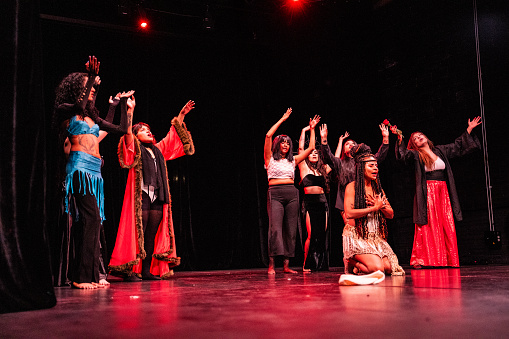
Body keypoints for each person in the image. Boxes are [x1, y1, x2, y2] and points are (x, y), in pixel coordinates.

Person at [53, 56, 128, 289]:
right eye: (88, 87)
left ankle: (91, 276)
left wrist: (121, 106)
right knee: (91, 218)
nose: (93, 90)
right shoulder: (66, 110)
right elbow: (78, 106)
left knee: (93, 221)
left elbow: (121, 129)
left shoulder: (91, 117)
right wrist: (92, 77)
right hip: (79, 169)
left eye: (94, 87)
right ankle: (81, 278)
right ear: (76, 88)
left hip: (95, 173)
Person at [108, 98, 195, 280]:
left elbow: (172, 137)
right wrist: (130, 111)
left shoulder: (157, 150)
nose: (147, 132)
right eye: (142, 130)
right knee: (136, 233)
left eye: (148, 130)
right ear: (136, 135)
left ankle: (146, 271)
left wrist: (181, 115)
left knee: (150, 236)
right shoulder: (135, 148)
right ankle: (131, 270)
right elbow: (127, 135)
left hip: (157, 196)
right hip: (141, 196)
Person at [392, 117, 482, 268]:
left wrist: (469, 129)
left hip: (443, 192)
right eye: (415, 138)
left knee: (445, 223)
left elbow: (458, 145)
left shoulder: (440, 150)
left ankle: (447, 259)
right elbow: (403, 155)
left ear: (426, 137)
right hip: (428, 193)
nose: (418, 137)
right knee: (428, 224)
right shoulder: (416, 155)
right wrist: (400, 138)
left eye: (420, 135)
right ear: (414, 144)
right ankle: (421, 259)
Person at [264, 108, 320, 274]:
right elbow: (268, 135)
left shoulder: (293, 160)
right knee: (275, 228)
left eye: (288, 143)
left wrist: (312, 128)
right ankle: (272, 265)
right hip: (275, 193)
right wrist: (282, 119)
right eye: (283, 142)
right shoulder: (269, 158)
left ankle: (287, 265)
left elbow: (310, 148)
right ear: (277, 144)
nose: (286, 145)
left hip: (291, 193)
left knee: (290, 228)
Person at [343, 143, 405, 276]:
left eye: (376, 165)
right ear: (361, 168)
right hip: (358, 236)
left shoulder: (378, 189)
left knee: (389, 268)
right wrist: (373, 208)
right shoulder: (352, 187)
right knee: (378, 269)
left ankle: (360, 267)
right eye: (371, 165)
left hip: (375, 237)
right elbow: (349, 213)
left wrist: (381, 207)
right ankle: (352, 261)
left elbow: (391, 214)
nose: (375, 168)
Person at [320, 124, 390, 226]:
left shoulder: (363, 162)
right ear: (344, 150)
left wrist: (385, 138)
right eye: (347, 144)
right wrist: (324, 139)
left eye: (353, 143)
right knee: (351, 229)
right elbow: (328, 157)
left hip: (365, 198)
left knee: (367, 229)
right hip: (346, 200)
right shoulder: (340, 163)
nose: (351, 145)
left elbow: (379, 156)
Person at [298, 125, 331, 272]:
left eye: (316, 153)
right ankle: (307, 264)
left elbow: (333, 161)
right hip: (310, 204)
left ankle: (321, 264)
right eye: (311, 153)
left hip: (322, 202)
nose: (314, 154)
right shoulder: (303, 168)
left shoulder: (322, 170)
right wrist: (307, 131)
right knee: (311, 235)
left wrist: (330, 140)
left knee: (321, 235)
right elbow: (300, 150)